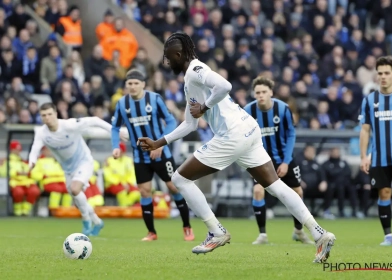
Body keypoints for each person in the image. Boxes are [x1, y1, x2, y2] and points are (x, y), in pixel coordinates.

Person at [137, 32, 335, 263]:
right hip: (248, 130)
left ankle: (216, 231)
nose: (166, 61)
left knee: (180, 179)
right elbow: (190, 124)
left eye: (168, 56)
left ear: (179, 55)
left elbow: (225, 85)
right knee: (275, 186)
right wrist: (159, 142)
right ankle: (319, 234)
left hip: (232, 135)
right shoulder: (190, 80)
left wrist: (205, 106)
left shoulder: (195, 69)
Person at [111, 69, 195, 242]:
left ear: (143, 84)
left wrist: (160, 143)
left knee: (173, 187)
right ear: (126, 85)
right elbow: (115, 127)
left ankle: (187, 226)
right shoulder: (122, 104)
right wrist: (115, 146)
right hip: (139, 155)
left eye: (136, 83)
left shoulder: (154, 99)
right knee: (144, 191)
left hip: (161, 153)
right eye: (130, 84)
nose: (133, 87)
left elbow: (171, 120)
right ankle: (151, 232)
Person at [28, 102, 129, 236]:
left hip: (84, 162)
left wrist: (116, 131)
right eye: (44, 115)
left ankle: (86, 221)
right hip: (67, 169)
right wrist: (32, 161)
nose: (47, 118)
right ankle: (97, 222)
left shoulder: (69, 125)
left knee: (75, 189)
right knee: (78, 200)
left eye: (49, 114)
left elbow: (95, 120)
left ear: (56, 114)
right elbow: (35, 148)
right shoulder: (42, 133)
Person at [244, 76, 313, 245]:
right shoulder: (247, 111)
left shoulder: (283, 109)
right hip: (261, 160)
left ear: (271, 93)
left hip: (284, 158)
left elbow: (291, 134)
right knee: (258, 191)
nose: (260, 95)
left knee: (297, 193)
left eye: (264, 92)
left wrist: (286, 162)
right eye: (257, 92)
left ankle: (298, 231)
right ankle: (262, 235)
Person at [359, 56, 392, 246]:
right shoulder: (369, 100)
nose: (383, 77)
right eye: (380, 73)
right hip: (379, 157)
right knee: (384, 192)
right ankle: (388, 236)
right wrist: (364, 156)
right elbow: (365, 130)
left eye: (387, 73)